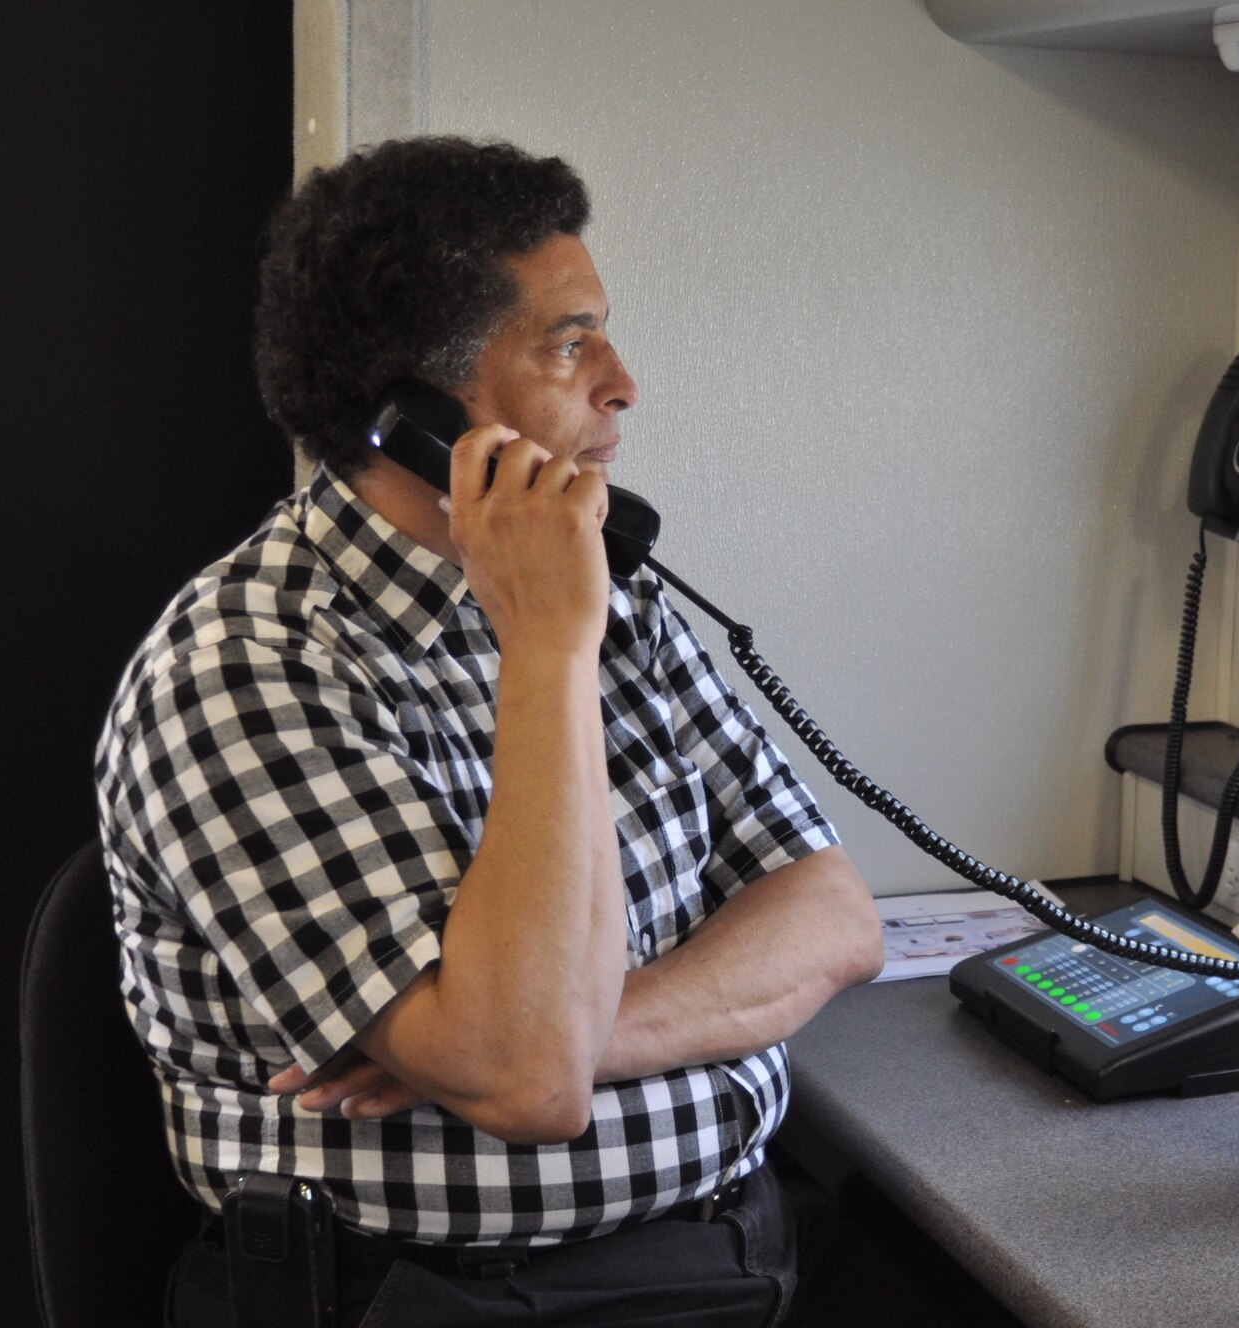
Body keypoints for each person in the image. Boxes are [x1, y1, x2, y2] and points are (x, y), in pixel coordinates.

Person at [94, 135, 885, 1327]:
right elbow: (524, 1083)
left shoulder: (616, 597)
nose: (622, 382)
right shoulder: (242, 668)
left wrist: (582, 1028)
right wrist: (548, 655)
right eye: (568, 343)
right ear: (411, 413)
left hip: (730, 1256)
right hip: (413, 1301)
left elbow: (832, 917)